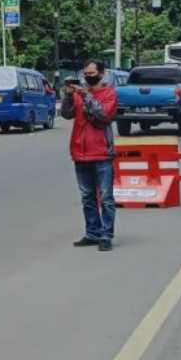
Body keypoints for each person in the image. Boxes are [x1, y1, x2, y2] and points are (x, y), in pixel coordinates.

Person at [61, 59, 119, 252]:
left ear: (101, 74)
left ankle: (106, 235)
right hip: (80, 152)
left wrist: (86, 95)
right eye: (85, 74)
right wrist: (68, 96)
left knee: (106, 197)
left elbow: (103, 115)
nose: (88, 77)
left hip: (101, 153)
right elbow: (67, 114)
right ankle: (93, 232)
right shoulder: (79, 94)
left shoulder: (109, 93)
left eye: (91, 73)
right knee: (87, 197)